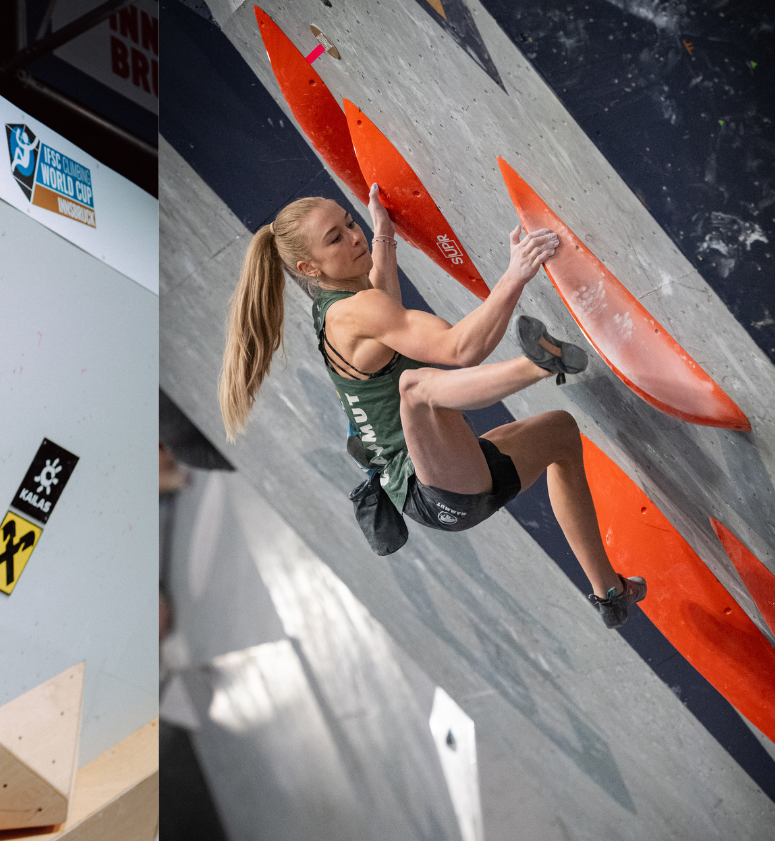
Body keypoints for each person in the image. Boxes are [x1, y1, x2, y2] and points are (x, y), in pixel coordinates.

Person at [219, 185, 647, 629]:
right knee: (415, 387)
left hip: (454, 481)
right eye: (336, 238)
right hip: (433, 492)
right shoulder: (353, 313)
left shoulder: (336, 305)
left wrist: (384, 232)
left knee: (561, 432)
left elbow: (383, 299)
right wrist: (516, 273)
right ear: (310, 268)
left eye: (349, 222)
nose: (354, 236)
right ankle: (539, 364)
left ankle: (609, 594)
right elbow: (460, 349)